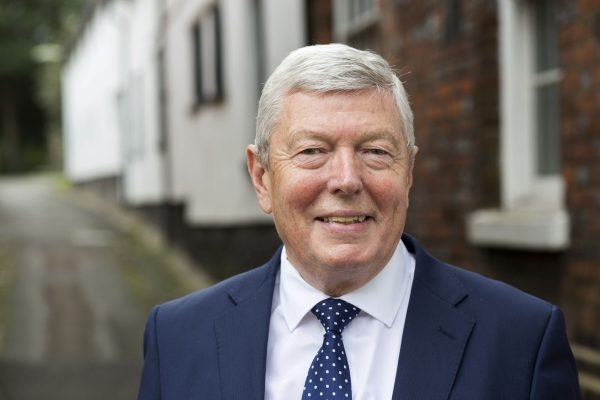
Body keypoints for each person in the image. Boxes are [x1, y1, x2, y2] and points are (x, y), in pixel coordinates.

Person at [137, 44, 581, 399]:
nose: (347, 180)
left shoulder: (521, 340)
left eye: (375, 151)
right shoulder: (177, 337)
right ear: (261, 177)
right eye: (313, 151)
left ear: (408, 172)